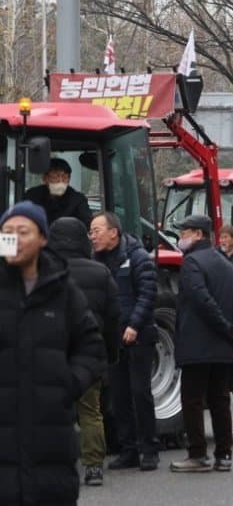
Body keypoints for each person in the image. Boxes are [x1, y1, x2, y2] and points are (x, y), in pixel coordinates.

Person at [0, 201, 106, 505]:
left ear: (43, 238)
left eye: (23, 231)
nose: (14, 239)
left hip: (50, 433)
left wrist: (67, 384)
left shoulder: (63, 290)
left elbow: (91, 345)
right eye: (7, 232)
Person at [170, 215, 233, 473]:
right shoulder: (225, 262)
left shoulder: (192, 262)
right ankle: (224, 455)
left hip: (197, 343)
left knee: (192, 400)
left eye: (184, 233)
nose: (181, 238)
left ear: (198, 234)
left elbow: (201, 299)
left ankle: (197, 454)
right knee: (220, 400)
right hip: (222, 346)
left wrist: (224, 326)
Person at [48, 216, 121, 488]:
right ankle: (93, 468)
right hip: (88, 355)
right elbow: (113, 318)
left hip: (52, 353)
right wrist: (110, 356)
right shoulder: (100, 272)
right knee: (91, 412)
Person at [90, 211, 161, 471]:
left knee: (140, 392)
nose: (93, 236)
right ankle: (128, 449)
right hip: (113, 338)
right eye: (90, 231)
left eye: (97, 230)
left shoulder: (137, 257)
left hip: (139, 335)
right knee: (118, 396)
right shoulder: (96, 261)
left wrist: (134, 325)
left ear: (114, 232)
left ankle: (150, 449)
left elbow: (147, 293)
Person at [23, 157, 93, 225]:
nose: (61, 181)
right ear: (45, 179)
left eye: (65, 177)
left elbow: (87, 223)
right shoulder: (32, 196)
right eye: (56, 176)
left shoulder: (77, 199)